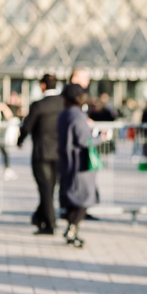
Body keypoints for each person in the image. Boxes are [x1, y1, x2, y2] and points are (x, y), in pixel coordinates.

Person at [18, 74, 64, 235]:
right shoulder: (63, 103)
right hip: (60, 153)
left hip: (42, 153)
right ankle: (40, 217)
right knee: (50, 188)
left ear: (43, 85)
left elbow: (27, 126)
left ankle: (50, 224)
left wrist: (20, 139)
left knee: (45, 189)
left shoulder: (39, 105)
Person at [57, 84, 102, 248]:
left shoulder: (64, 114)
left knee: (72, 198)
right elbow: (84, 140)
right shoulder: (78, 115)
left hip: (67, 162)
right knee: (84, 198)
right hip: (80, 163)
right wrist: (100, 137)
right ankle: (72, 229)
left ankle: (72, 230)